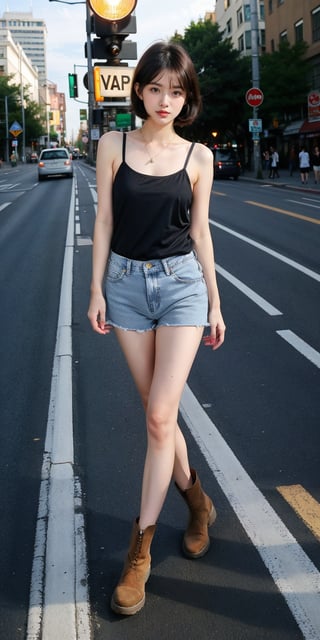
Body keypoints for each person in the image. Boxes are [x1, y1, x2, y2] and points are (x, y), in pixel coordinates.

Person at [87, 41, 226, 616]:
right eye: (155, 88)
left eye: (177, 91)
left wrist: (216, 303)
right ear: (138, 91)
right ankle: (197, 502)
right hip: (123, 286)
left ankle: (138, 553)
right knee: (157, 414)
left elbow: (201, 234)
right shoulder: (113, 144)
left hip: (181, 287)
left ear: (186, 97)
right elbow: (104, 220)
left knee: (158, 416)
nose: (165, 100)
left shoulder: (199, 158)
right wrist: (94, 288)